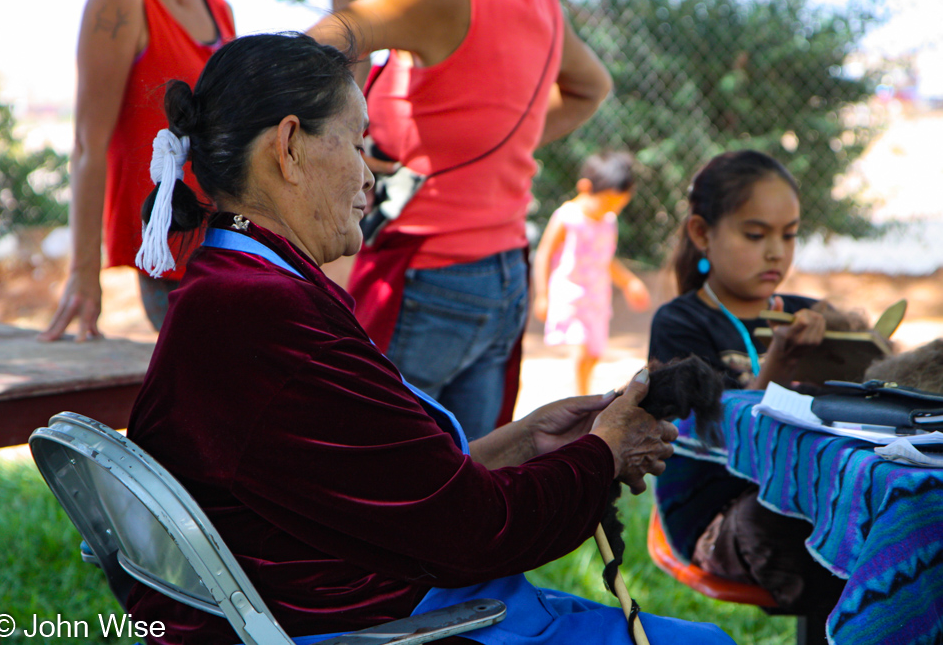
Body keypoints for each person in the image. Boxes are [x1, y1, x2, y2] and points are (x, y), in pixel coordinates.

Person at [124, 32, 734, 645]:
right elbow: (475, 534)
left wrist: (527, 442)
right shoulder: (263, 314)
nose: (369, 177)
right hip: (384, 626)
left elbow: (394, 491)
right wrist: (604, 453)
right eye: (359, 145)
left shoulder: (233, 287)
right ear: (289, 148)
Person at [307, 0, 614, 441]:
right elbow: (592, 86)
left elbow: (321, 43)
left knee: (374, 452)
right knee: (464, 465)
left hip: (429, 276)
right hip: (503, 271)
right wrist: (499, 145)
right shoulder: (542, 4)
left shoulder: (436, 2)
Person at [648, 150, 845, 614]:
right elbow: (722, 437)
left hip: (813, 493)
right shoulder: (680, 324)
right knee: (790, 526)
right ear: (702, 233)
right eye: (755, 235)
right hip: (721, 511)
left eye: (790, 235)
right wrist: (780, 361)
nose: (776, 251)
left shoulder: (807, 313)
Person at [38, 0, 235, 342]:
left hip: (229, 241)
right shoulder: (122, 3)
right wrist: (84, 274)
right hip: (169, 242)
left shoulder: (220, 10)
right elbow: (88, 143)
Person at [533, 150, 651, 396]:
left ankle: (584, 392)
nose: (613, 208)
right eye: (609, 201)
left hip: (597, 297)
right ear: (586, 187)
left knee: (594, 352)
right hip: (571, 296)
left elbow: (605, 260)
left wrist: (629, 282)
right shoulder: (567, 217)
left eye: (619, 204)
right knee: (581, 347)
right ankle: (580, 398)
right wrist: (542, 295)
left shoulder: (608, 221)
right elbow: (543, 255)